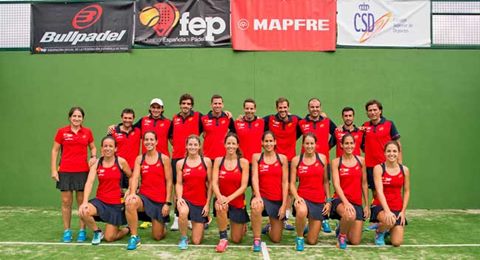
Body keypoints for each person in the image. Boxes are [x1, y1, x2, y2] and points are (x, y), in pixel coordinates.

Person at [51, 107, 97, 243]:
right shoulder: (62, 132)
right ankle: (67, 231)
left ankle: (82, 230)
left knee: (82, 203)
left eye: (79, 116)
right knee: (66, 202)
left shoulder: (87, 132)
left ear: (82, 118)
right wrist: (54, 170)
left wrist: (94, 156)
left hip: (82, 171)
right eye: (74, 116)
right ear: (70, 117)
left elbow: (93, 147)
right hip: (65, 171)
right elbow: (55, 150)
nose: (77, 118)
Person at [78, 136, 132, 245]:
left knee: (109, 238)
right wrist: (84, 202)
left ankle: (127, 230)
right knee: (83, 210)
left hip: (116, 204)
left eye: (111, 146)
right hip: (100, 201)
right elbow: (89, 182)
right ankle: (97, 232)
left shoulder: (121, 162)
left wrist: (130, 190)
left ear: (115, 148)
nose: (108, 148)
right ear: (101, 148)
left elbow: (131, 176)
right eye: (105, 146)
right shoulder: (97, 163)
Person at [124, 131, 173, 250]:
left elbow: (169, 181)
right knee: (130, 202)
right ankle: (134, 236)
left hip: (159, 201)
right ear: (143, 142)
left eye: (151, 140)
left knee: (157, 236)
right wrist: (132, 193)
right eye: (146, 140)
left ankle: (162, 225)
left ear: (156, 142)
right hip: (144, 198)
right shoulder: (140, 159)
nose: (149, 142)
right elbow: (135, 178)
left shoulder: (164, 159)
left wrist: (167, 203)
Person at [298, 98, 336, 233]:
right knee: (304, 186)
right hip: (305, 162)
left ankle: (324, 219)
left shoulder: (327, 121)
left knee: (324, 185)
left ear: (321, 107)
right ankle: (304, 218)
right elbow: (292, 135)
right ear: (308, 108)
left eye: (317, 107)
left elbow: (337, 134)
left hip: (322, 162)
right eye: (312, 107)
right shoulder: (301, 122)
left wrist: (327, 146)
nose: (315, 109)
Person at [263, 97, 301, 231]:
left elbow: (309, 121)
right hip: (276, 160)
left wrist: (322, 115)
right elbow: (255, 121)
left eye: (285, 107)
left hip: (290, 160)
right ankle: (271, 220)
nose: (283, 110)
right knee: (276, 189)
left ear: (288, 108)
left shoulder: (296, 120)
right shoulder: (270, 119)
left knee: (290, 190)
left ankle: (285, 218)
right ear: (277, 108)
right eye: (280, 107)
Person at [289, 133, 330, 251]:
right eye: (307, 143)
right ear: (303, 145)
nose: (309, 146)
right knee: (301, 211)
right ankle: (300, 237)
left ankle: (307, 227)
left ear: (316, 145)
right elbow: (291, 184)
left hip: (318, 200)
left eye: (312, 143)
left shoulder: (322, 158)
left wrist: (328, 201)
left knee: (312, 241)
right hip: (303, 197)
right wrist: (296, 197)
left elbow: (326, 181)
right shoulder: (296, 160)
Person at [169, 94, 203, 231]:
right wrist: (177, 145)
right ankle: (178, 218)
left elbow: (208, 128)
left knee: (191, 186)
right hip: (177, 157)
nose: (186, 106)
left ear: (192, 105)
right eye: (183, 103)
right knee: (177, 187)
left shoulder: (198, 117)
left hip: (193, 158)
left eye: (188, 104)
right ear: (180, 104)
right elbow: (170, 136)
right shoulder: (175, 119)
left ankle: (189, 217)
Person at [250, 131, 289, 251]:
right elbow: (254, 178)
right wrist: (257, 196)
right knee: (256, 206)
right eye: (266, 141)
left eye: (271, 141)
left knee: (276, 239)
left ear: (275, 142)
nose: (268, 143)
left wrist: (284, 205)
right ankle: (257, 239)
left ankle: (268, 228)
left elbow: (285, 182)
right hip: (262, 196)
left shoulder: (282, 159)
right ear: (262, 143)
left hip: (277, 199)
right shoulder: (257, 157)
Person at [212, 133, 249, 252]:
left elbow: (243, 187)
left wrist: (228, 198)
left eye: (233, 143)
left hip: (237, 202)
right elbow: (214, 183)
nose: (231, 146)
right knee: (220, 206)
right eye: (228, 143)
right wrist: (220, 197)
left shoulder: (243, 162)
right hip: (222, 201)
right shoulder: (218, 161)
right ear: (224, 145)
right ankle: (223, 239)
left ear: (238, 145)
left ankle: (242, 224)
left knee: (237, 239)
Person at [330, 134, 369, 250]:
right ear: (341, 145)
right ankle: (341, 236)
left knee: (355, 241)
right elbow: (336, 184)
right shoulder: (336, 162)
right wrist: (346, 203)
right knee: (349, 214)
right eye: (346, 143)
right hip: (340, 200)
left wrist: (366, 205)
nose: (349, 146)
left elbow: (364, 184)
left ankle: (341, 227)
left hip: (356, 202)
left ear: (354, 144)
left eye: (351, 143)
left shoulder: (361, 161)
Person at [176, 135, 213, 249]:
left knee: (197, 241)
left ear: (199, 146)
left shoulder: (206, 162)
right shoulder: (180, 163)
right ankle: (183, 238)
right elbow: (179, 183)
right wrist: (179, 198)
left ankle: (201, 223)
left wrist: (207, 205)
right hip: (186, 199)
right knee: (182, 212)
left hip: (200, 202)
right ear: (186, 146)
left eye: (195, 145)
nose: (192, 147)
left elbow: (211, 183)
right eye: (190, 144)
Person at [370, 141, 410, 247]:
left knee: (397, 242)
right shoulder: (378, 168)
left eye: (394, 151)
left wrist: (403, 211)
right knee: (390, 220)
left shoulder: (404, 170)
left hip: (397, 207)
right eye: (388, 151)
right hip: (380, 206)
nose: (391, 154)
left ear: (398, 153)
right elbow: (379, 191)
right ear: (384, 153)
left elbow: (406, 191)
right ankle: (380, 231)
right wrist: (387, 211)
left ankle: (386, 228)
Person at [362, 99, 401, 191]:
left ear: (380, 111)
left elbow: (398, 144)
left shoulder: (389, 124)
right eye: (370, 110)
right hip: (370, 166)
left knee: (388, 191)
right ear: (367, 113)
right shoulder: (364, 126)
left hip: (386, 165)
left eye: (375, 110)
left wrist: (399, 164)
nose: (373, 112)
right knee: (375, 192)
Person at [109, 108, 141, 189]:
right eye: (125, 118)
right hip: (117, 169)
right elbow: (106, 149)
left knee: (133, 197)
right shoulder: (114, 131)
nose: (127, 120)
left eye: (130, 118)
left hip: (133, 170)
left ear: (133, 118)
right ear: (121, 118)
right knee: (117, 196)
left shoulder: (138, 131)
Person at [201, 94, 235, 160]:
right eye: (215, 103)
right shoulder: (203, 119)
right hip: (207, 157)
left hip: (224, 157)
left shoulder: (228, 118)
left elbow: (234, 131)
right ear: (211, 105)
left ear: (222, 105)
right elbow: (196, 134)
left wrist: (227, 137)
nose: (217, 105)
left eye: (219, 103)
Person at [234, 98, 264, 164]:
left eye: (251, 108)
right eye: (247, 108)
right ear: (244, 109)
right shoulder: (237, 123)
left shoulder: (262, 122)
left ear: (255, 109)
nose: (249, 111)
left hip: (256, 162)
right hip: (241, 161)